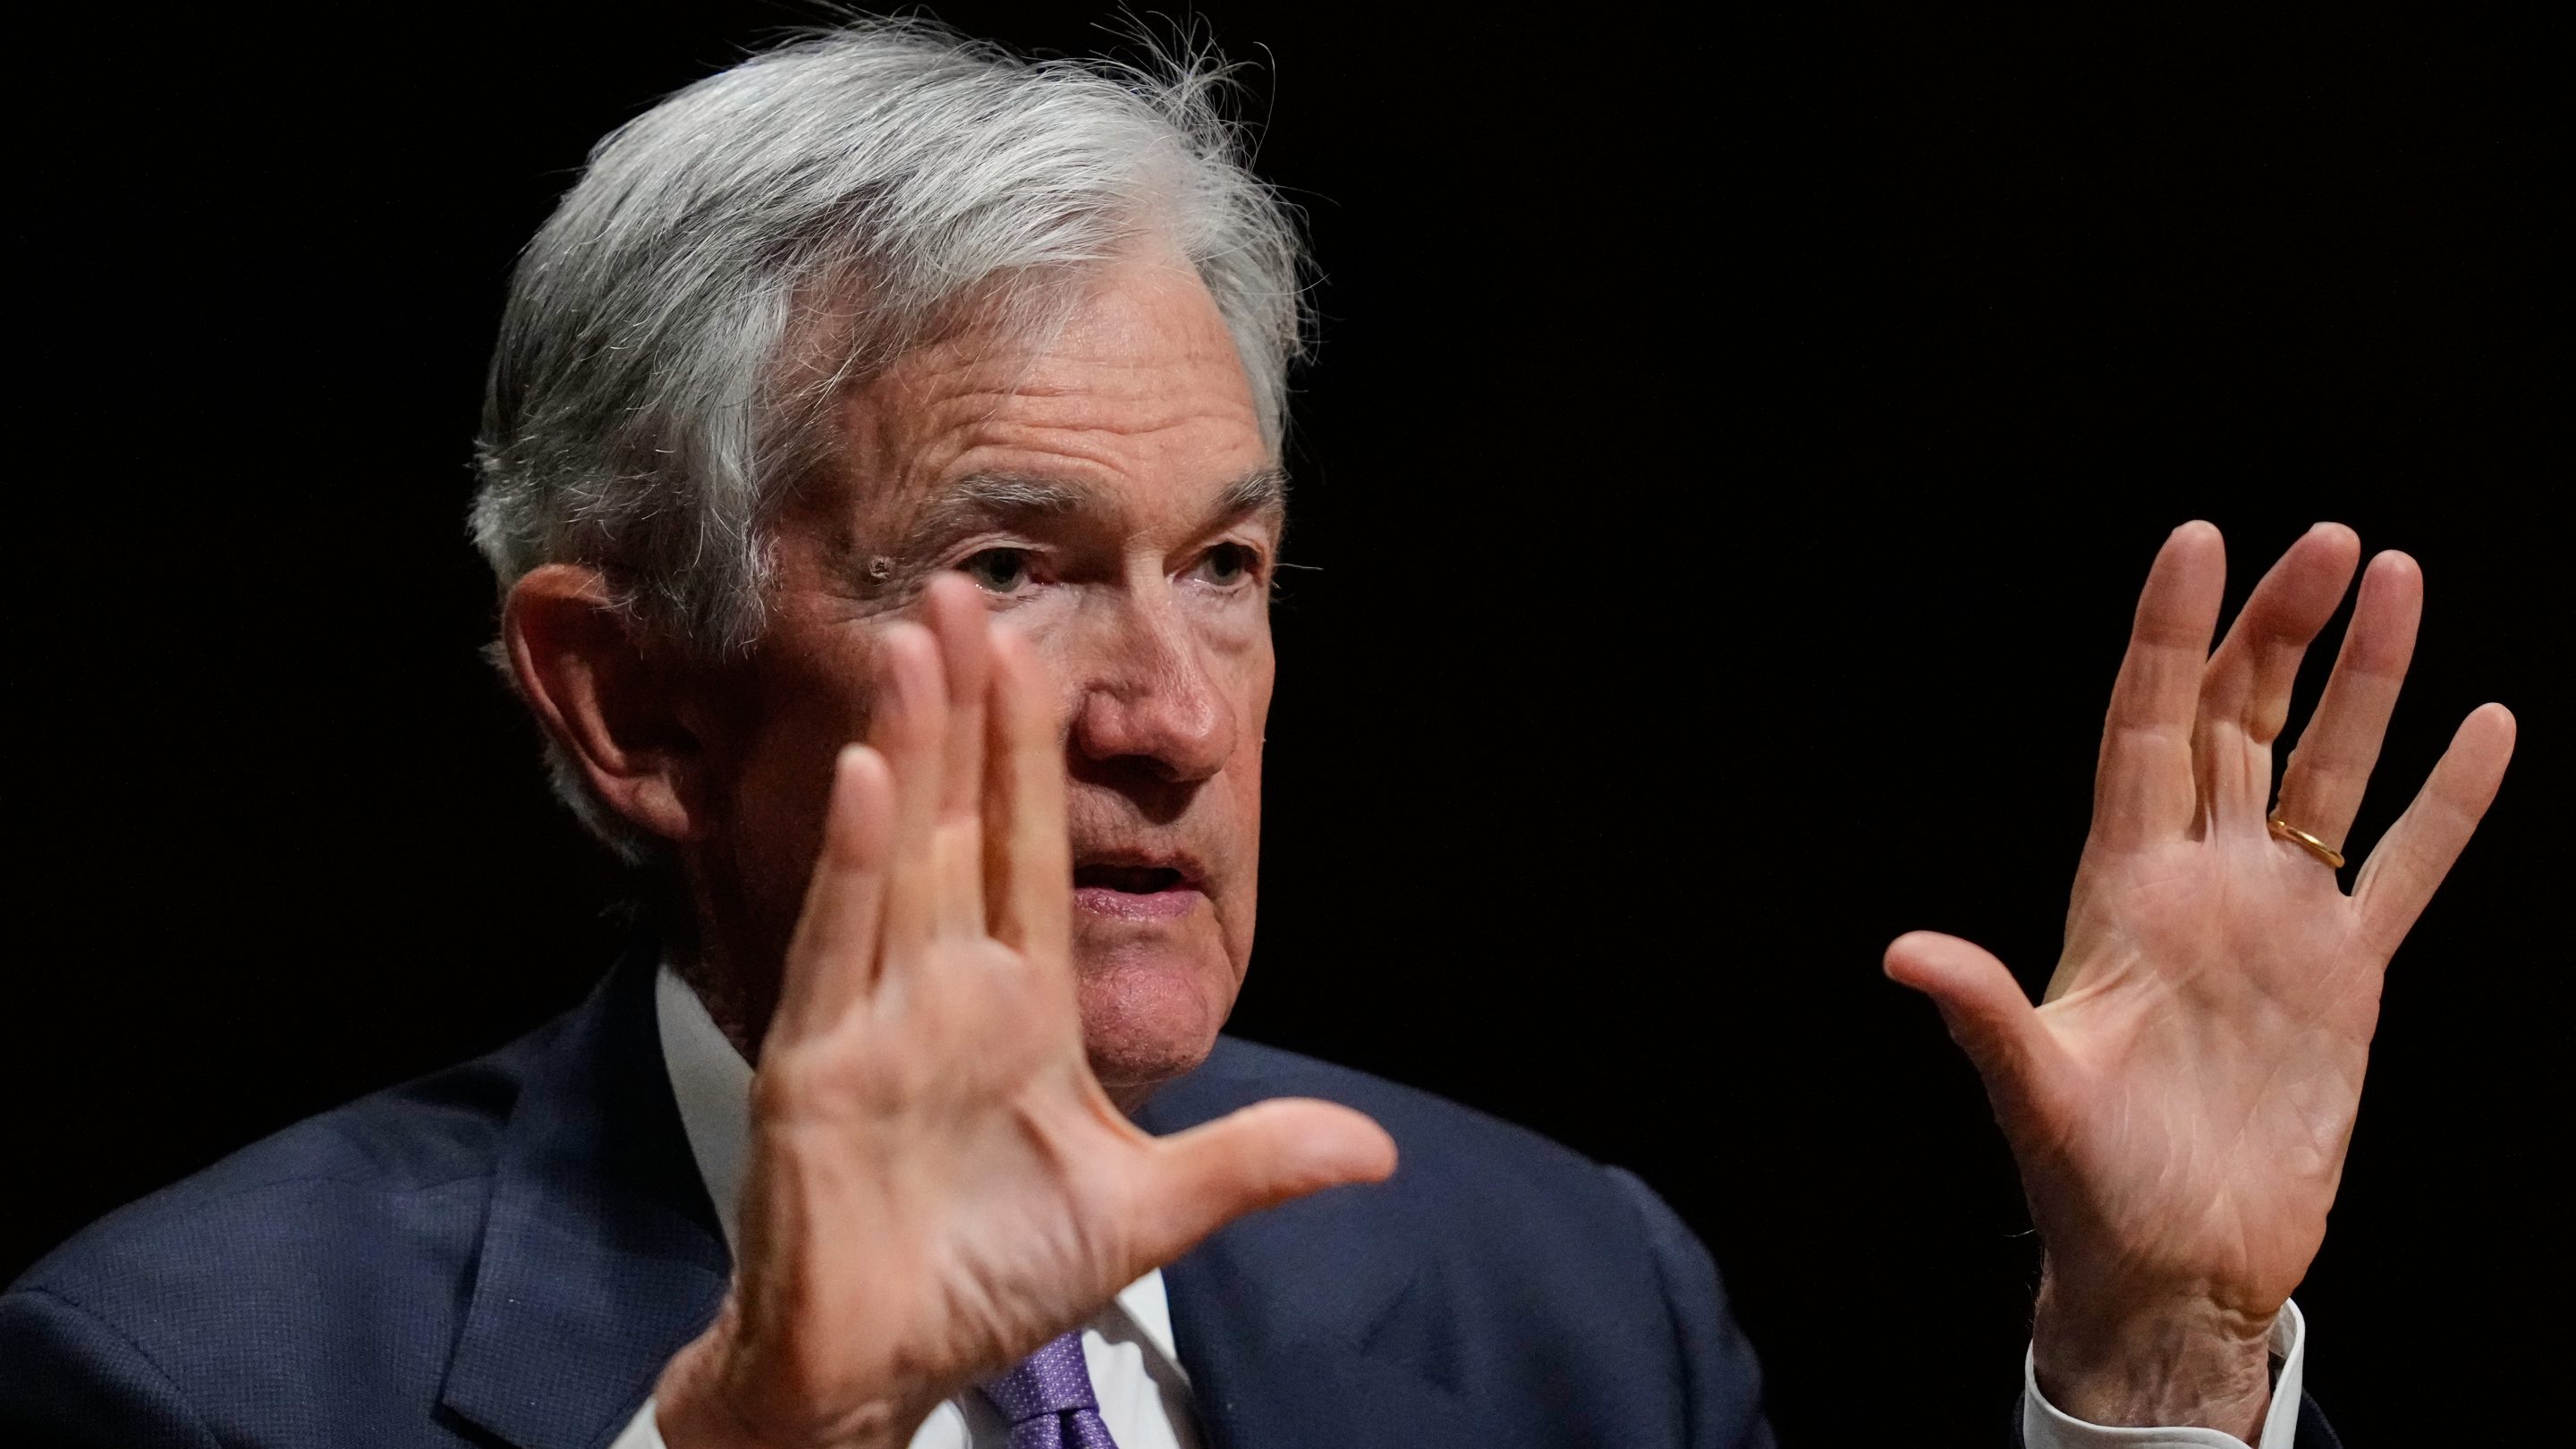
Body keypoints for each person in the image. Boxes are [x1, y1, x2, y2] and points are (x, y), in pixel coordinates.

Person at [0, 21, 2514, 1449]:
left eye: (1223, 563)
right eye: (1010, 566)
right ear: (633, 695)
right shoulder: (194, 1379)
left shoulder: (1561, 1306)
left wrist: (2156, 1358)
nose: (1175, 716)